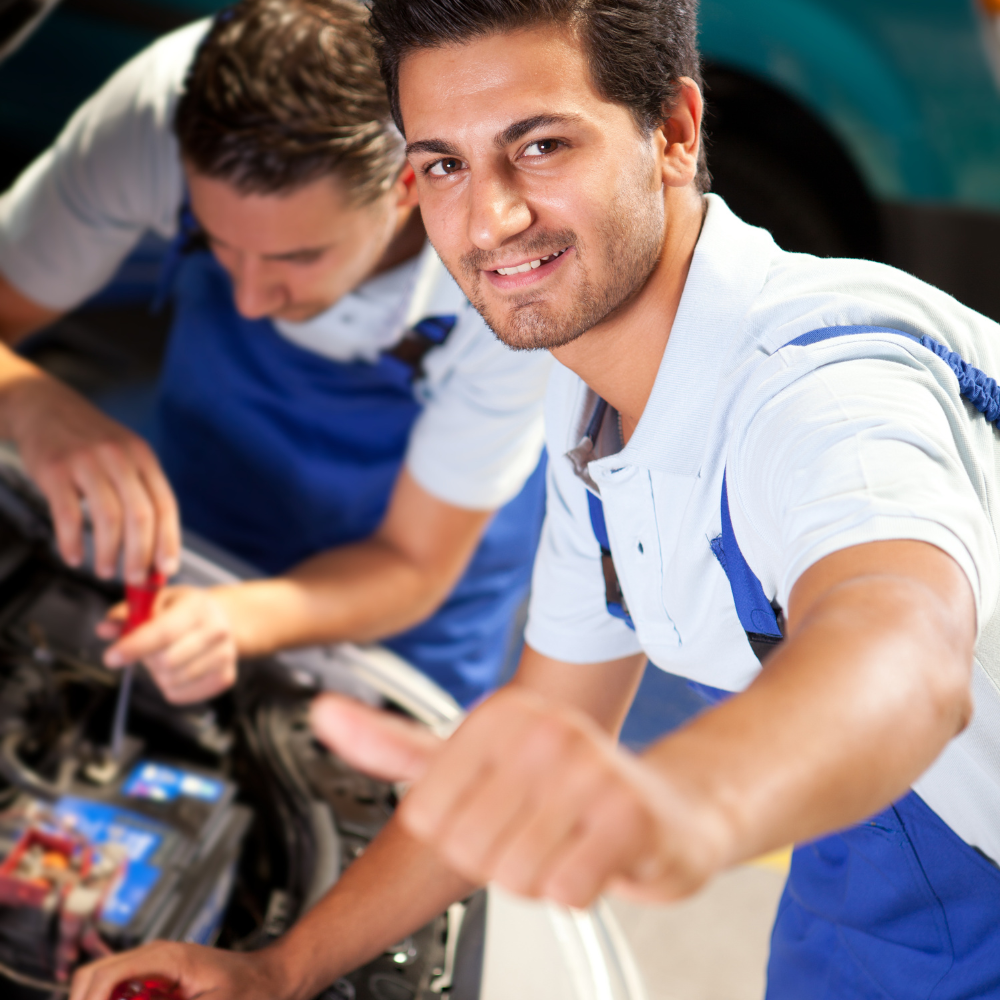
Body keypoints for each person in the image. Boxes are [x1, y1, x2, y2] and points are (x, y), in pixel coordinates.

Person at [70, 0, 1000, 997]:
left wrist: (688, 801)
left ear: (675, 134)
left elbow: (902, 643)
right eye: (444, 164)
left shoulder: (824, 384)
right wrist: (277, 968)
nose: (488, 218)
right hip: (864, 874)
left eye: (541, 145)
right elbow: (550, 707)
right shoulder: (595, 392)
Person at [0, 0, 551, 708]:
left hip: (410, 584)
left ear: (406, 187)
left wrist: (231, 618)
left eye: (296, 256)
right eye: (216, 240)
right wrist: (32, 402)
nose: (251, 301)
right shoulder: (156, 111)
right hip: (209, 493)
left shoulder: (518, 259)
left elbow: (414, 564)